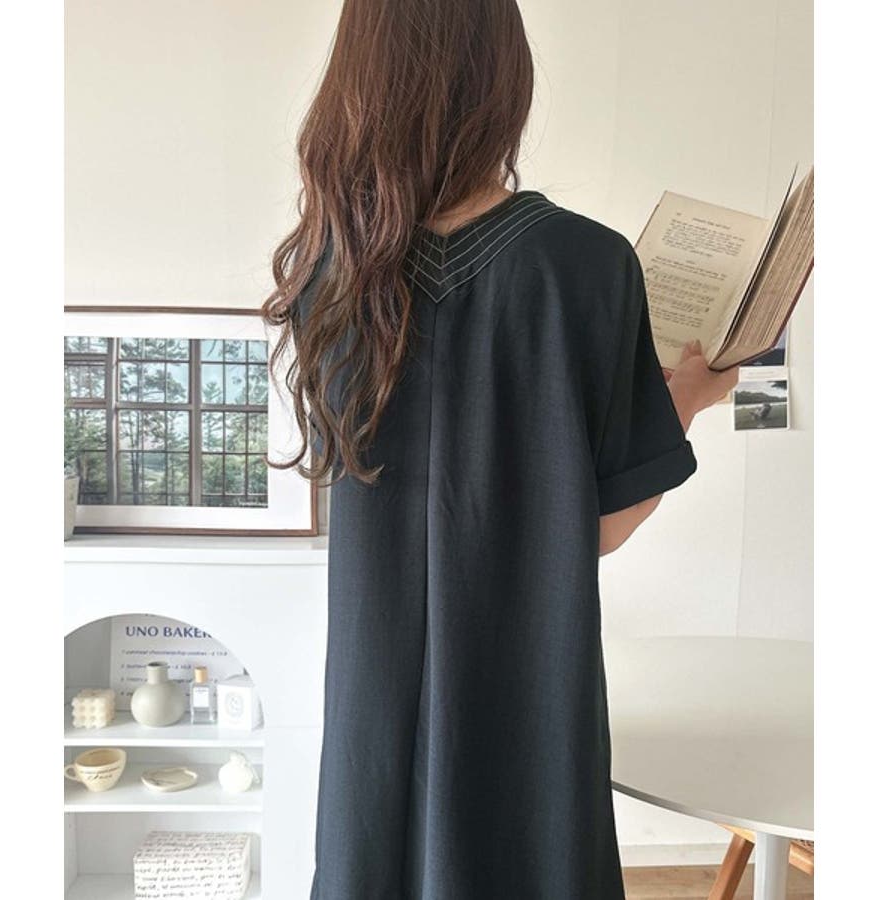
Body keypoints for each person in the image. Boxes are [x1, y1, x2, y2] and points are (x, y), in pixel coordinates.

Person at [263, 1, 739, 897]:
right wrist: (687, 397)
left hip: (374, 700)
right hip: (531, 697)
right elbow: (595, 529)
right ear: (503, 75)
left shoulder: (334, 272)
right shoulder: (587, 264)